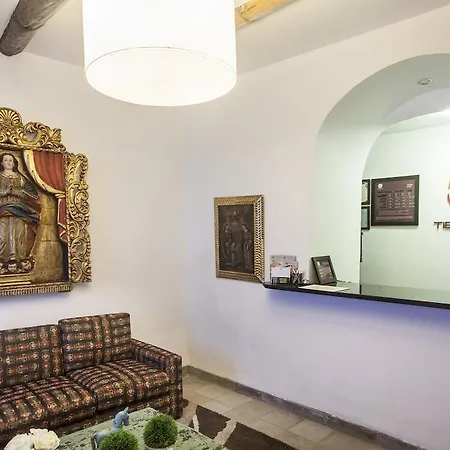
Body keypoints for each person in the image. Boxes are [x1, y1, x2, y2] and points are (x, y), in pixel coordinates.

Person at [0, 153, 40, 265]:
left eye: (11, 160)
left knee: (20, 235)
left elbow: (33, 194)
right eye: (6, 160)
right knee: (3, 236)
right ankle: (3, 259)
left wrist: (18, 192)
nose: (8, 162)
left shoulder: (21, 178)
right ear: (1, 163)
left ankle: (19, 258)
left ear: (14, 163)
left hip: (20, 210)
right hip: (3, 209)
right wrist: (4, 192)